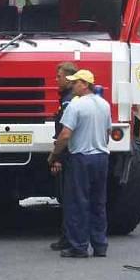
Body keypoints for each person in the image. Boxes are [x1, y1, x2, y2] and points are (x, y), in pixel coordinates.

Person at [48, 70, 112, 258]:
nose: (72, 85)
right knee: (98, 202)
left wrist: (55, 154)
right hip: (101, 157)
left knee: (78, 203)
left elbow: (65, 134)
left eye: (75, 82)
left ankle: (79, 246)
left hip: (81, 158)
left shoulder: (75, 106)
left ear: (84, 84)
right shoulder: (104, 105)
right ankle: (100, 245)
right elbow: (107, 132)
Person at [49, 62, 78, 251]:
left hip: (69, 156)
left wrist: (58, 158)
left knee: (69, 199)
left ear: (68, 78)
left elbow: (66, 132)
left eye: (59, 76)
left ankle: (69, 238)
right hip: (76, 155)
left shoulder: (68, 101)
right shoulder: (69, 99)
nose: (56, 79)